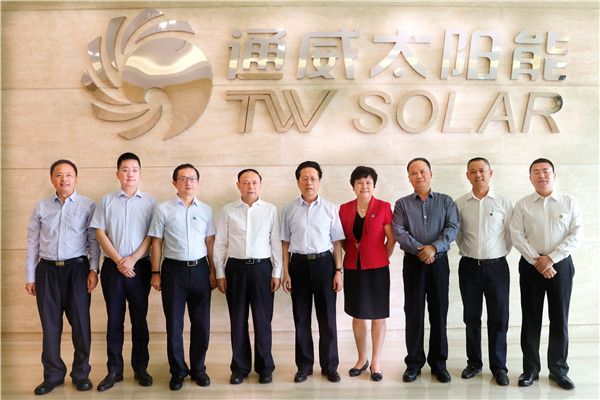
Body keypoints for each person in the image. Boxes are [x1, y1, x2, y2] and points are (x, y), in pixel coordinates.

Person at [25, 159, 100, 395]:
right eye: (59, 175)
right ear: (52, 179)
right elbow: (32, 242)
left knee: (81, 325)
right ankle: (53, 375)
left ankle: (81, 374)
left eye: (68, 174)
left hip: (77, 270)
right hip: (47, 271)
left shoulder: (88, 205)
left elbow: (94, 241)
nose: (64, 179)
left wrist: (94, 270)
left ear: (76, 178)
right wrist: (30, 276)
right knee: (50, 326)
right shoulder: (41, 207)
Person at [510, 158, 583, 390]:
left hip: (561, 265)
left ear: (554, 175)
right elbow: (517, 235)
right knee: (531, 318)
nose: (541, 175)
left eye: (546, 171)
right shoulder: (522, 205)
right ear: (530, 178)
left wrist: (551, 259)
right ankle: (530, 370)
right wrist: (538, 261)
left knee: (559, 318)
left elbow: (576, 235)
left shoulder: (569, 202)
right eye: (536, 172)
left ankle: (559, 371)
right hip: (531, 266)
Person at [91, 152, 158, 391]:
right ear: (118, 173)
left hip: (140, 267)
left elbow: (152, 236)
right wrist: (120, 260)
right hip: (113, 268)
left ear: (140, 173)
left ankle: (141, 368)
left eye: (135, 169)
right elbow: (100, 233)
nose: (130, 174)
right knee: (114, 320)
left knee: (139, 320)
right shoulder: (106, 201)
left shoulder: (151, 202)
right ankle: (114, 370)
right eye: (126, 169)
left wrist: (133, 259)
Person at [148, 163, 217, 391]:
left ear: (198, 182)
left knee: (201, 323)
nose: (188, 183)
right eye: (183, 179)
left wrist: (214, 270)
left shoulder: (206, 210)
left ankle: (198, 369)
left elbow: (210, 242)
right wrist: (155, 273)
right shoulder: (163, 209)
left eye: (192, 178)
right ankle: (177, 371)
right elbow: (157, 243)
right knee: (174, 324)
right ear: (174, 182)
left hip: (200, 270)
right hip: (173, 272)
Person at [392, 157, 459, 383]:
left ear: (431, 174)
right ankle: (414, 363)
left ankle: (439, 364)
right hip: (413, 263)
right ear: (409, 178)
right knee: (414, 313)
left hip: (439, 262)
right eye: (413, 173)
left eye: (422, 171)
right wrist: (421, 250)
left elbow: (452, 227)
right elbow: (399, 231)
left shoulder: (445, 201)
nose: (418, 176)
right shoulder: (402, 204)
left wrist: (434, 248)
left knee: (439, 313)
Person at [214, 169, 282, 385]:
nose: (250, 186)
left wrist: (277, 272)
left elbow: (276, 243)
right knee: (237, 320)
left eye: (254, 182)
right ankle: (240, 368)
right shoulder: (228, 211)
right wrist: (220, 273)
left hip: (262, 269)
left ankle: (265, 368)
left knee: (263, 321)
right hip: (235, 269)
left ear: (260, 184)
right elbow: (220, 243)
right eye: (245, 182)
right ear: (238, 185)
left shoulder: (270, 210)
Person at [281, 161, 345, 383]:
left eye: (313, 178)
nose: (309, 182)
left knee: (328, 319)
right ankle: (304, 367)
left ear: (319, 181)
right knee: (301, 318)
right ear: (298, 182)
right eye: (304, 178)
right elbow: (284, 243)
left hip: (324, 265)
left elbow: (337, 242)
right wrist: (286, 272)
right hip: (298, 266)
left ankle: (330, 366)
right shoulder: (289, 209)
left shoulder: (330, 208)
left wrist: (338, 271)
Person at [455, 157, 512, 386]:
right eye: (473, 171)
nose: (478, 174)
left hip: (497, 268)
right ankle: (474, 363)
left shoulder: (503, 203)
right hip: (469, 267)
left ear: (490, 173)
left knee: (499, 318)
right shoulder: (460, 203)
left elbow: (509, 235)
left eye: (482, 170)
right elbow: (458, 235)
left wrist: (495, 254)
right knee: (471, 317)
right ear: (467, 175)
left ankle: (499, 367)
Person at [338, 166, 395, 382]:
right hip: (353, 267)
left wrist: (379, 256)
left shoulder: (383, 207)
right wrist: (355, 253)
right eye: (359, 182)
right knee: (358, 314)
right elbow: (342, 239)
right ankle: (362, 359)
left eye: (368, 182)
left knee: (378, 316)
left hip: (378, 268)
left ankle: (376, 362)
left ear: (374, 185)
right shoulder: (344, 209)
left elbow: (391, 239)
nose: (364, 186)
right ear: (353, 186)